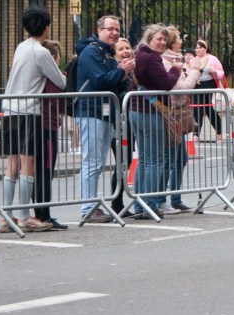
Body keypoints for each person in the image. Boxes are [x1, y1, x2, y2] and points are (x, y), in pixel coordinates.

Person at [0, 6, 66, 234]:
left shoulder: (21, 47)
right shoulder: (41, 52)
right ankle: (26, 216)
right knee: (27, 166)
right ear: (46, 26)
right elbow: (60, 81)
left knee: (12, 166)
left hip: (9, 109)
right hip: (29, 111)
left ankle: (7, 216)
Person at [74, 15, 134, 224]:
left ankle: (93, 205)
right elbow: (100, 80)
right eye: (110, 29)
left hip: (106, 112)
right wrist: (122, 71)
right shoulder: (91, 52)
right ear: (99, 30)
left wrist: (122, 74)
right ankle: (88, 207)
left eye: (117, 29)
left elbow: (115, 84)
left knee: (98, 162)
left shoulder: (107, 55)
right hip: (91, 111)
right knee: (92, 161)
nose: (114, 33)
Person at [129, 24, 180, 220]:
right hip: (149, 112)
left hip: (138, 110)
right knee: (155, 160)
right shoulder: (150, 58)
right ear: (149, 38)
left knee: (144, 160)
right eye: (158, 39)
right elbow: (166, 83)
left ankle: (140, 205)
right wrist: (175, 70)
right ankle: (149, 203)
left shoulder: (139, 55)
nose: (162, 43)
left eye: (164, 40)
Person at [163, 26, 202, 214]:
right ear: (172, 41)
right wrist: (195, 71)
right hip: (169, 112)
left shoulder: (176, 59)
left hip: (179, 111)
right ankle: (161, 199)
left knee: (180, 159)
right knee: (169, 158)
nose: (181, 40)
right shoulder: (167, 61)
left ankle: (176, 197)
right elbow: (181, 87)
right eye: (179, 37)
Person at [33, 40, 67, 230]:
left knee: (38, 170)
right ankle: (43, 214)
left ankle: (39, 212)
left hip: (39, 124)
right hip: (48, 126)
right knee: (46, 171)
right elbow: (60, 101)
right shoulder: (54, 78)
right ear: (53, 58)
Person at [110, 38, 138, 218]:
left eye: (127, 47)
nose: (126, 51)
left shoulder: (134, 72)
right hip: (117, 121)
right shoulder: (115, 71)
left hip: (130, 121)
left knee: (126, 161)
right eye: (120, 49)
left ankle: (118, 201)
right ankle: (116, 203)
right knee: (121, 161)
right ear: (114, 54)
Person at [191, 39, 226, 143]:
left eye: (200, 47)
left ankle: (219, 133)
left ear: (205, 48)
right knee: (197, 110)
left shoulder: (213, 59)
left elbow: (221, 73)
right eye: (196, 48)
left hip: (210, 85)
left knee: (210, 110)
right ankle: (196, 134)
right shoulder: (194, 60)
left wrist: (214, 71)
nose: (198, 50)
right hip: (197, 85)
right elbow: (188, 72)